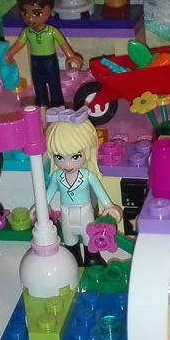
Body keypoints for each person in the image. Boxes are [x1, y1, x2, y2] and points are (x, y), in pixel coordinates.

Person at [44, 111, 122, 264]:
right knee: (69, 241)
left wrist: (108, 205)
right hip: (66, 213)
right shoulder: (57, 176)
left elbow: (100, 191)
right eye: (59, 157)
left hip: (85, 212)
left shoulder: (87, 176)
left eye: (75, 157)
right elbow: (49, 193)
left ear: (86, 152)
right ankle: (74, 260)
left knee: (89, 238)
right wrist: (40, 207)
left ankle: (92, 259)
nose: (67, 164)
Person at [6, 0, 82, 107]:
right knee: (38, 84)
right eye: (25, 13)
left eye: (36, 13)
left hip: (50, 61)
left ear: (50, 9)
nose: (30, 18)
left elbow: (63, 43)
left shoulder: (52, 31)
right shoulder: (27, 32)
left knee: (54, 84)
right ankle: (41, 103)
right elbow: (19, 44)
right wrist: (10, 54)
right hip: (35, 62)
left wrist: (70, 56)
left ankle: (57, 104)